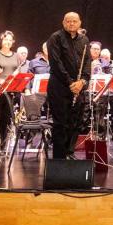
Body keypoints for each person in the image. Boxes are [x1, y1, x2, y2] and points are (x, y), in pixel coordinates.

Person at [46, 12, 90, 159]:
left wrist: (82, 82)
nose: (71, 24)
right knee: (60, 124)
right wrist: (71, 83)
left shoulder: (84, 40)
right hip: (59, 87)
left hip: (78, 88)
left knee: (76, 123)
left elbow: (87, 64)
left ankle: (69, 153)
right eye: (68, 21)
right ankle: (59, 159)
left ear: (79, 23)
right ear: (63, 23)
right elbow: (56, 64)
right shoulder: (55, 38)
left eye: (74, 21)